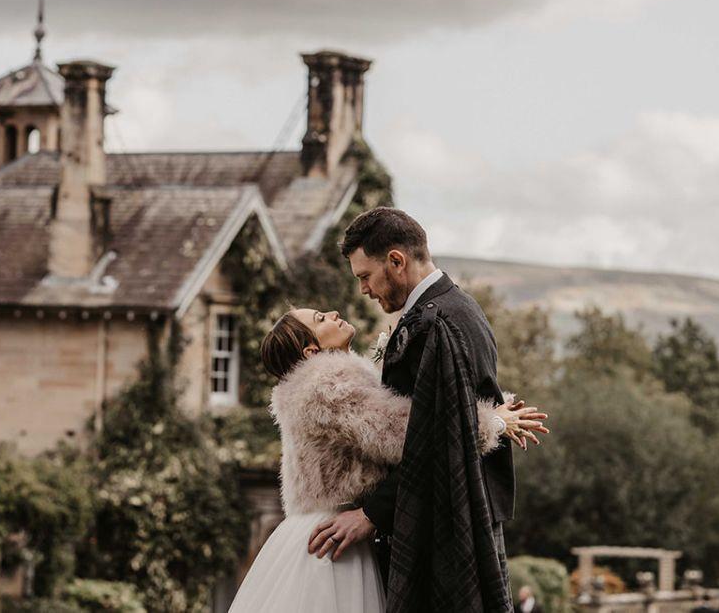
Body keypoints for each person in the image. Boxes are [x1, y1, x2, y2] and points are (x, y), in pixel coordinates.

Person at [227, 307, 546, 612]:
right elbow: (404, 434)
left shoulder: (305, 388)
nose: (334, 314)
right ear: (311, 351)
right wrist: (492, 421)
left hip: (316, 530)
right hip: (335, 537)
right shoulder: (326, 386)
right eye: (320, 318)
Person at [308, 207, 525, 612]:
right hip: (443, 513)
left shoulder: (435, 324)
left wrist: (371, 514)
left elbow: (438, 438)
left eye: (364, 277)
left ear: (396, 261)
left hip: (444, 523)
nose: (364, 291)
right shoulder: (456, 309)